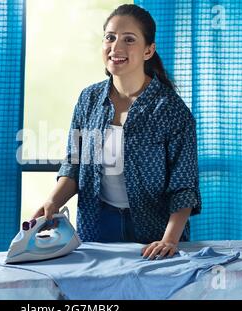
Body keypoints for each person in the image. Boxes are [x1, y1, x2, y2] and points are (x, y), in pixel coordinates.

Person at [33, 4, 202, 260]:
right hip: (98, 224)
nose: (116, 47)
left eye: (129, 40)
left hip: (154, 231)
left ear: (149, 50)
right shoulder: (88, 99)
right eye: (110, 37)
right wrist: (52, 203)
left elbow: (184, 187)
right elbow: (75, 164)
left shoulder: (171, 109)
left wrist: (168, 240)